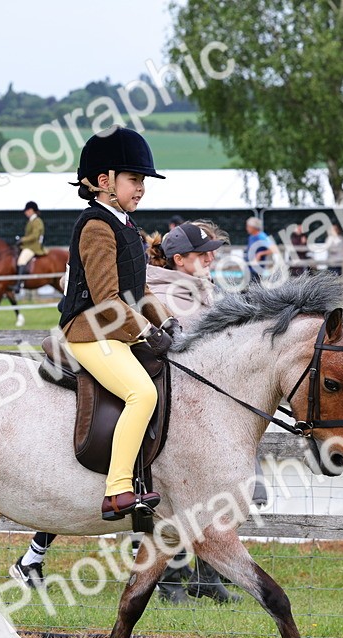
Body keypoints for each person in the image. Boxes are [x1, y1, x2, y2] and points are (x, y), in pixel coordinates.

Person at [15, 220, 254, 604]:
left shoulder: (194, 288)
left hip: (165, 379)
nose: (212, 258)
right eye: (203, 253)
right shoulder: (170, 290)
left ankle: (201, 575)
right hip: (112, 354)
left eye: (212, 252)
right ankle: (166, 569)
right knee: (145, 427)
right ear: (179, 259)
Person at [56, 125, 174, 521]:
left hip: (115, 330)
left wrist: (170, 323)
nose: (141, 188)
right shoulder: (96, 226)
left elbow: (140, 292)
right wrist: (145, 332)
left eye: (142, 181)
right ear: (105, 182)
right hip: (89, 331)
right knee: (142, 394)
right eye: (134, 179)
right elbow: (107, 302)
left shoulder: (126, 226)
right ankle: (118, 489)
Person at [16, 201, 46, 274]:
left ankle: (20, 283)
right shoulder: (31, 221)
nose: (25, 212)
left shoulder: (37, 221)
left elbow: (34, 236)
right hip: (28, 245)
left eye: (27, 210)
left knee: (22, 260)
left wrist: (22, 239)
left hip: (34, 247)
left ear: (31, 210)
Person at [244, 216, 272, 281]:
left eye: (248, 226)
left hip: (257, 269)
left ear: (253, 227)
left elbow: (273, 249)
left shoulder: (262, 236)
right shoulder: (251, 237)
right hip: (249, 267)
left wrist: (260, 254)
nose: (246, 228)